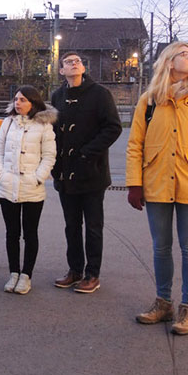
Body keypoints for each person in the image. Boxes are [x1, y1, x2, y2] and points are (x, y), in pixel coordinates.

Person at [127, 42, 188, 336]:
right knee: (160, 246)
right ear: (170, 62)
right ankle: (163, 303)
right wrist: (134, 184)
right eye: (186, 54)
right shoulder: (150, 100)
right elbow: (135, 145)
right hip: (156, 182)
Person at [50, 52, 122, 293]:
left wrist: (87, 152)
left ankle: (92, 274)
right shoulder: (58, 96)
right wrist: (54, 166)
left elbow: (113, 127)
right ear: (61, 71)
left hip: (92, 171)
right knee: (71, 225)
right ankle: (75, 270)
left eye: (77, 61)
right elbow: (55, 133)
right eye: (68, 62)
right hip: (65, 173)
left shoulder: (100, 94)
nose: (74, 63)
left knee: (93, 225)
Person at [0, 86, 57, 294]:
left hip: (32, 187)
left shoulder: (44, 125)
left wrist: (38, 177)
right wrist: (0, 174)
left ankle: (26, 275)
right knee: (12, 233)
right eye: (16, 99)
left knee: (30, 233)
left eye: (22, 100)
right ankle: (13, 272)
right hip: (7, 185)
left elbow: (49, 155)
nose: (17, 103)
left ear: (33, 102)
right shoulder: (8, 123)